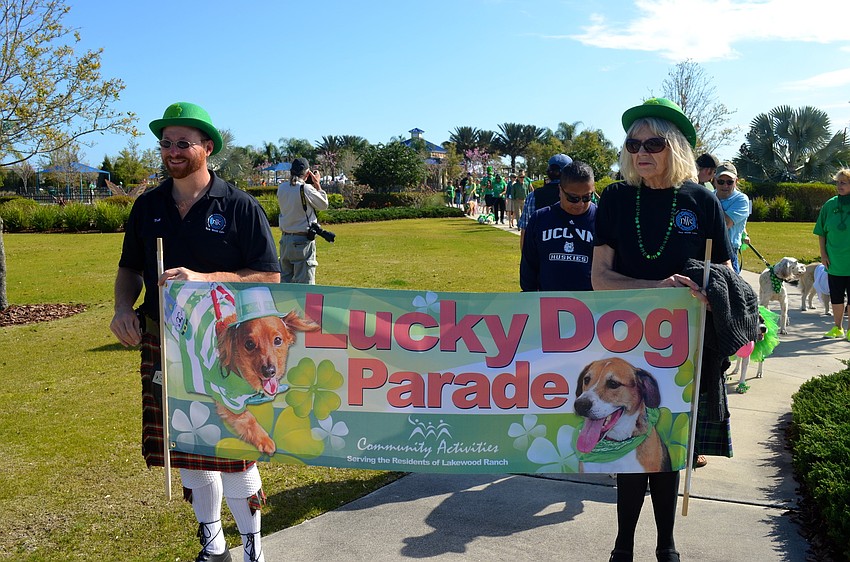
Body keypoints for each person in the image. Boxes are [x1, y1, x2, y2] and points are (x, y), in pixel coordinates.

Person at [110, 102, 281, 562]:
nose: (172, 151)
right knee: (187, 447)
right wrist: (122, 307)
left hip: (229, 351)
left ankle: (252, 549)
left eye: (182, 143)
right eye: (166, 143)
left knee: (233, 451)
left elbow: (269, 276)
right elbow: (129, 268)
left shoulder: (239, 206)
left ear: (207, 148)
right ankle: (213, 545)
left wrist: (207, 279)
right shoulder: (148, 206)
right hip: (164, 343)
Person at [592, 98, 740, 562]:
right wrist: (656, 286)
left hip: (684, 343)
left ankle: (666, 545)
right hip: (624, 340)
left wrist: (707, 287)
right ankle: (622, 546)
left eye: (653, 143)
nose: (641, 151)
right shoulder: (615, 199)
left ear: (674, 148)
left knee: (669, 445)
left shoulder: (701, 201)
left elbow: (727, 274)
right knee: (629, 444)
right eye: (634, 143)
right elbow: (600, 278)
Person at [520, 161, 596, 291]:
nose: (580, 204)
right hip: (548, 303)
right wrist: (529, 295)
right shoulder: (540, 218)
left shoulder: (601, 220)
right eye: (573, 198)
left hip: (591, 305)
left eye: (586, 197)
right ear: (560, 190)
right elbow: (529, 266)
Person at [276, 158, 329, 285]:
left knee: (285, 283)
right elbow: (323, 205)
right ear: (307, 174)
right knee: (305, 287)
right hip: (302, 242)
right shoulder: (305, 189)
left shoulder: (282, 188)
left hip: (285, 241)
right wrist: (317, 185)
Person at [814, 168, 850, 339]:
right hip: (834, 261)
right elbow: (821, 232)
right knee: (836, 296)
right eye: (837, 182)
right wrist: (823, 254)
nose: (839, 185)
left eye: (843, 182)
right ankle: (838, 327)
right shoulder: (830, 205)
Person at [519, 153, 572, 247]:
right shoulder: (577, 196)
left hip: (541, 252)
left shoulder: (533, 196)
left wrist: (525, 259)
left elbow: (525, 231)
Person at [713, 162, 750, 273]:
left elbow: (725, 223)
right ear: (714, 181)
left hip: (729, 252)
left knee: (731, 288)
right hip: (708, 250)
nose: (725, 186)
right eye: (721, 181)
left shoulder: (741, 200)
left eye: (730, 182)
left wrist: (710, 204)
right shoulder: (709, 195)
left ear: (736, 182)